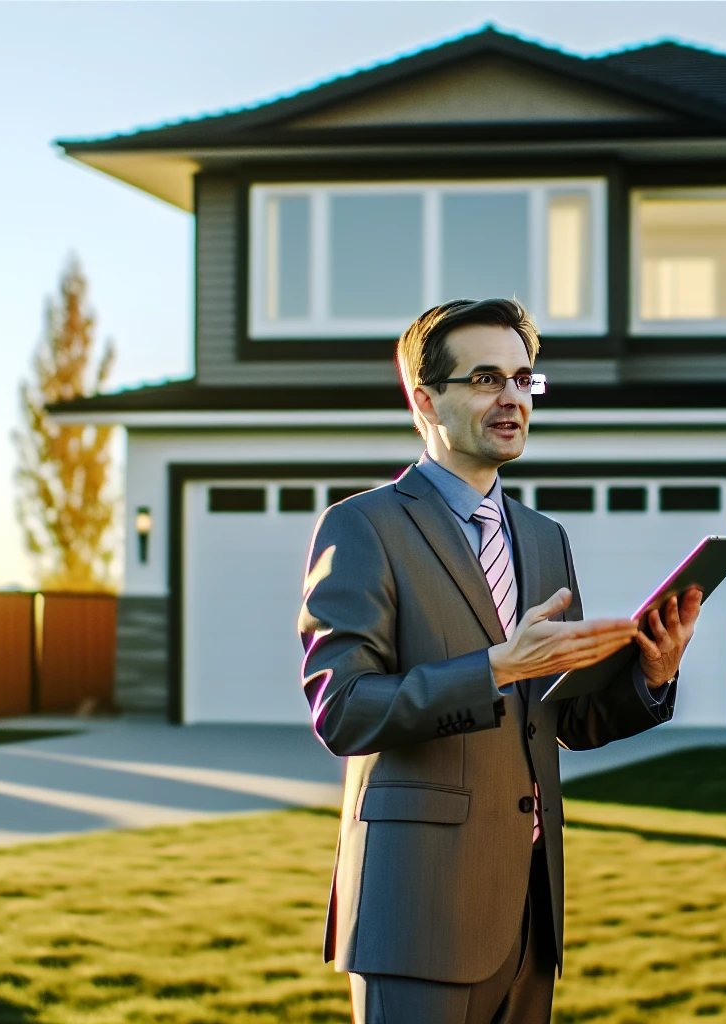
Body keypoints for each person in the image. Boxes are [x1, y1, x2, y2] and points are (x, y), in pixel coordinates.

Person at [297, 297, 702, 1024]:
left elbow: (563, 720)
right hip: (416, 916)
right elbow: (346, 710)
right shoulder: (363, 527)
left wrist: (652, 674)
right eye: (487, 379)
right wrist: (494, 668)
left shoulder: (544, 539)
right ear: (425, 399)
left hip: (529, 913)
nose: (513, 398)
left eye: (524, 379)